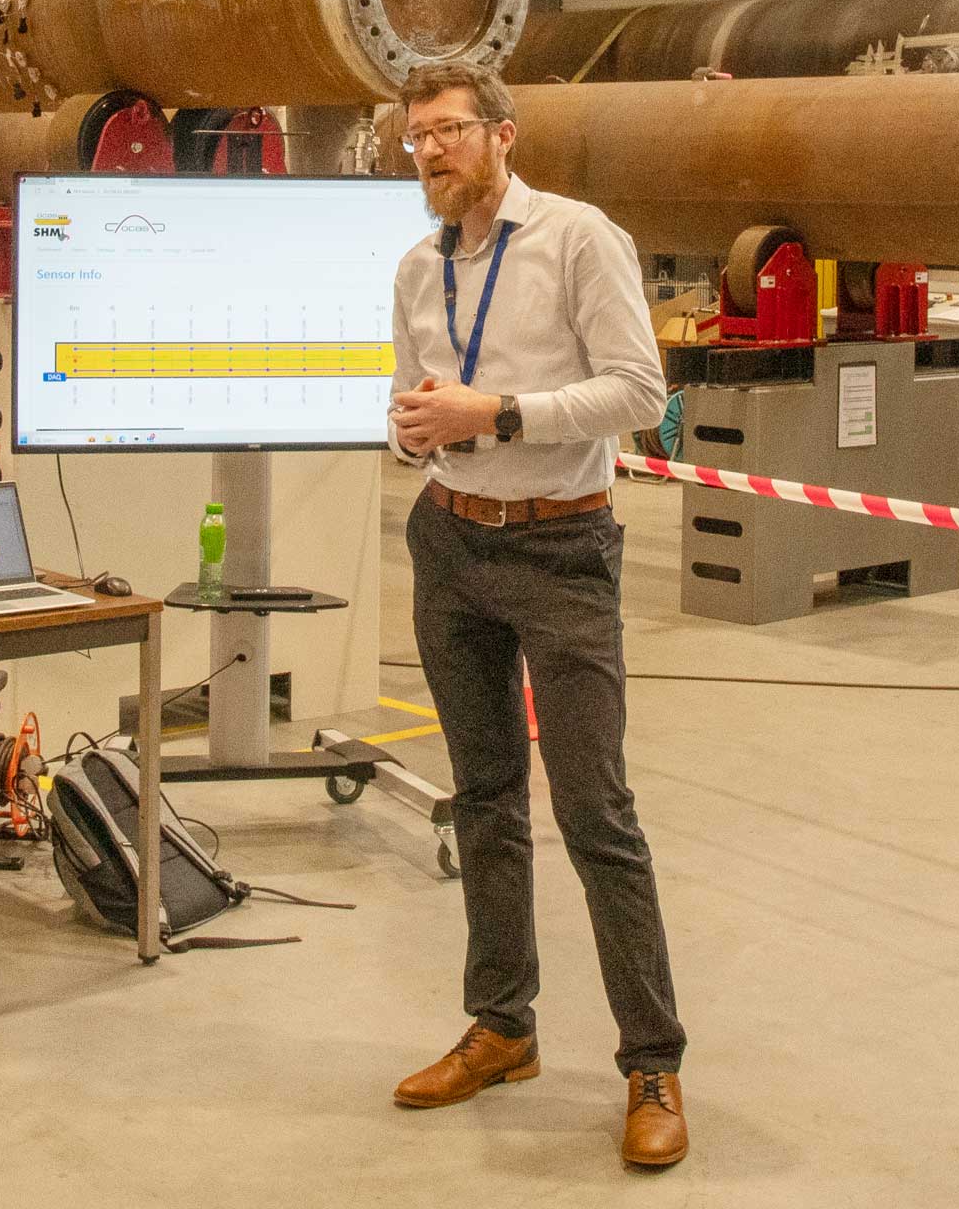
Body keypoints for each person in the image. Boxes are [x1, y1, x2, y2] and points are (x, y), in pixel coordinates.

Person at [382, 60, 684, 1170]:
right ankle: (502, 1026)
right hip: (450, 541)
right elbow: (413, 398)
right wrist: (415, 428)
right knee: (485, 797)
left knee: (596, 810)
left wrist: (497, 412)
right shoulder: (420, 266)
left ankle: (652, 1061)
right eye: (416, 136)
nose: (430, 151)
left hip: (562, 547)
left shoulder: (576, 238)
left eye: (448, 130)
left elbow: (640, 393)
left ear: (503, 134)